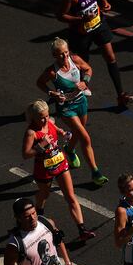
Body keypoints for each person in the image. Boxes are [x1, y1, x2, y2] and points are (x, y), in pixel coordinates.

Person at [58, 0, 133, 108]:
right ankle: (70, 97)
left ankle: (121, 96)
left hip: (99, 25)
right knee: (82, 66)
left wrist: (103, 1)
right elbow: (61, 15)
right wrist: (81, 19)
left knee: (111, 57)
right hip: (80, 33)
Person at [36, 38, 108, 187]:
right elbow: (39, 83)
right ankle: (96, 173)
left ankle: (69, 149)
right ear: (54, 56)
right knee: (85, 137)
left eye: (66, 52)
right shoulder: (52, 71)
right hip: (67, 108)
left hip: (81, 102)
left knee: (78, 132)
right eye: (60, 54)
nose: (64, 57)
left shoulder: (75, 60)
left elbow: (88, 69)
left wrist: (85, 81)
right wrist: (51, 93)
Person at [21, 99, 96, 240]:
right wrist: (41, 145)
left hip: (60, 162)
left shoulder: (50, 123)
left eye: (47, 116)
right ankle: (39, 211)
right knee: (44, 195)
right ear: (34, 118)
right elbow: (25, 154)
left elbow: (56, 130)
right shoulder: (31, 132)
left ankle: (82, 229)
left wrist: (63, 133)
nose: (45, 120)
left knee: (71, 197)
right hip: (43, 169)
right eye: (41, 118)